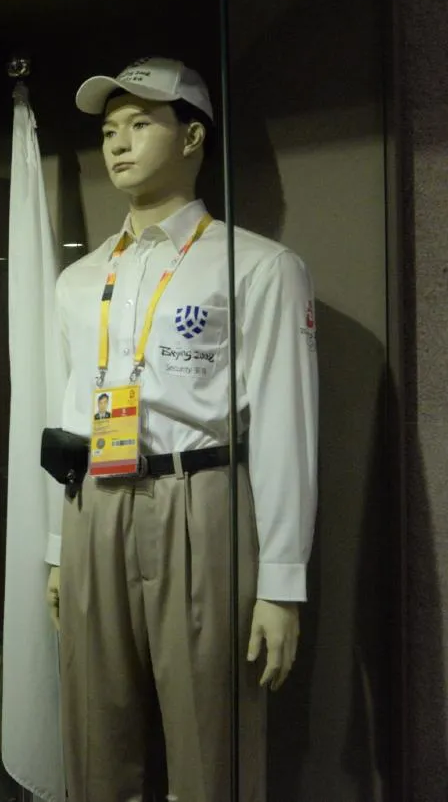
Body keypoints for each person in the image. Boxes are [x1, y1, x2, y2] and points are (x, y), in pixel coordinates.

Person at [43, 57, 318, 802]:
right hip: (93, 503)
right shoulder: (79, 280)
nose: (118, 142)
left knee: (210, 730)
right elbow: (70, 405)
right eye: (109, 129)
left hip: (200, 501)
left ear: (193, 136)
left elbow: (286, 425)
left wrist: (281, 582)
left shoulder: (259, 266)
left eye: (141, 123)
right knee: (94, 728)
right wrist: (58, 546)